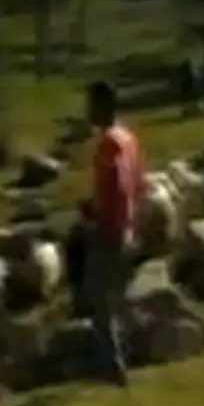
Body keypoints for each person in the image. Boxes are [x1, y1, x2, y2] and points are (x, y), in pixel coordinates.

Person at [85, 80, 145, 386]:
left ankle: (112, 365)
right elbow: (138, 183)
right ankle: (129, 353)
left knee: (98, 296)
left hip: (111, 228)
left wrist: (111, 222)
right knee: (118, 298)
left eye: (91, 104)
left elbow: (120, 185)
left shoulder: (109, 143)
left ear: (102, 106)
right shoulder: (129, 138)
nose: (87, 111)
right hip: (129, 226)